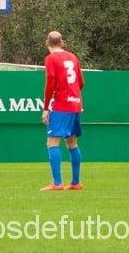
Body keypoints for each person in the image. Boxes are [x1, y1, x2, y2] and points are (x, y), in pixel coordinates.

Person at [41, 30, 85, 191]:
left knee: (52, 142)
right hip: (76, 104)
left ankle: (57, 183)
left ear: (47, 43)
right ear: (62, 42)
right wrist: (73, 94)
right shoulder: (73, 57)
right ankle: (75, 182)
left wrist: (46, 108)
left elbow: (50, 83)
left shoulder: (51, 59)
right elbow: (81, 82)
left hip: (62, 105)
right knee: (72, 143)